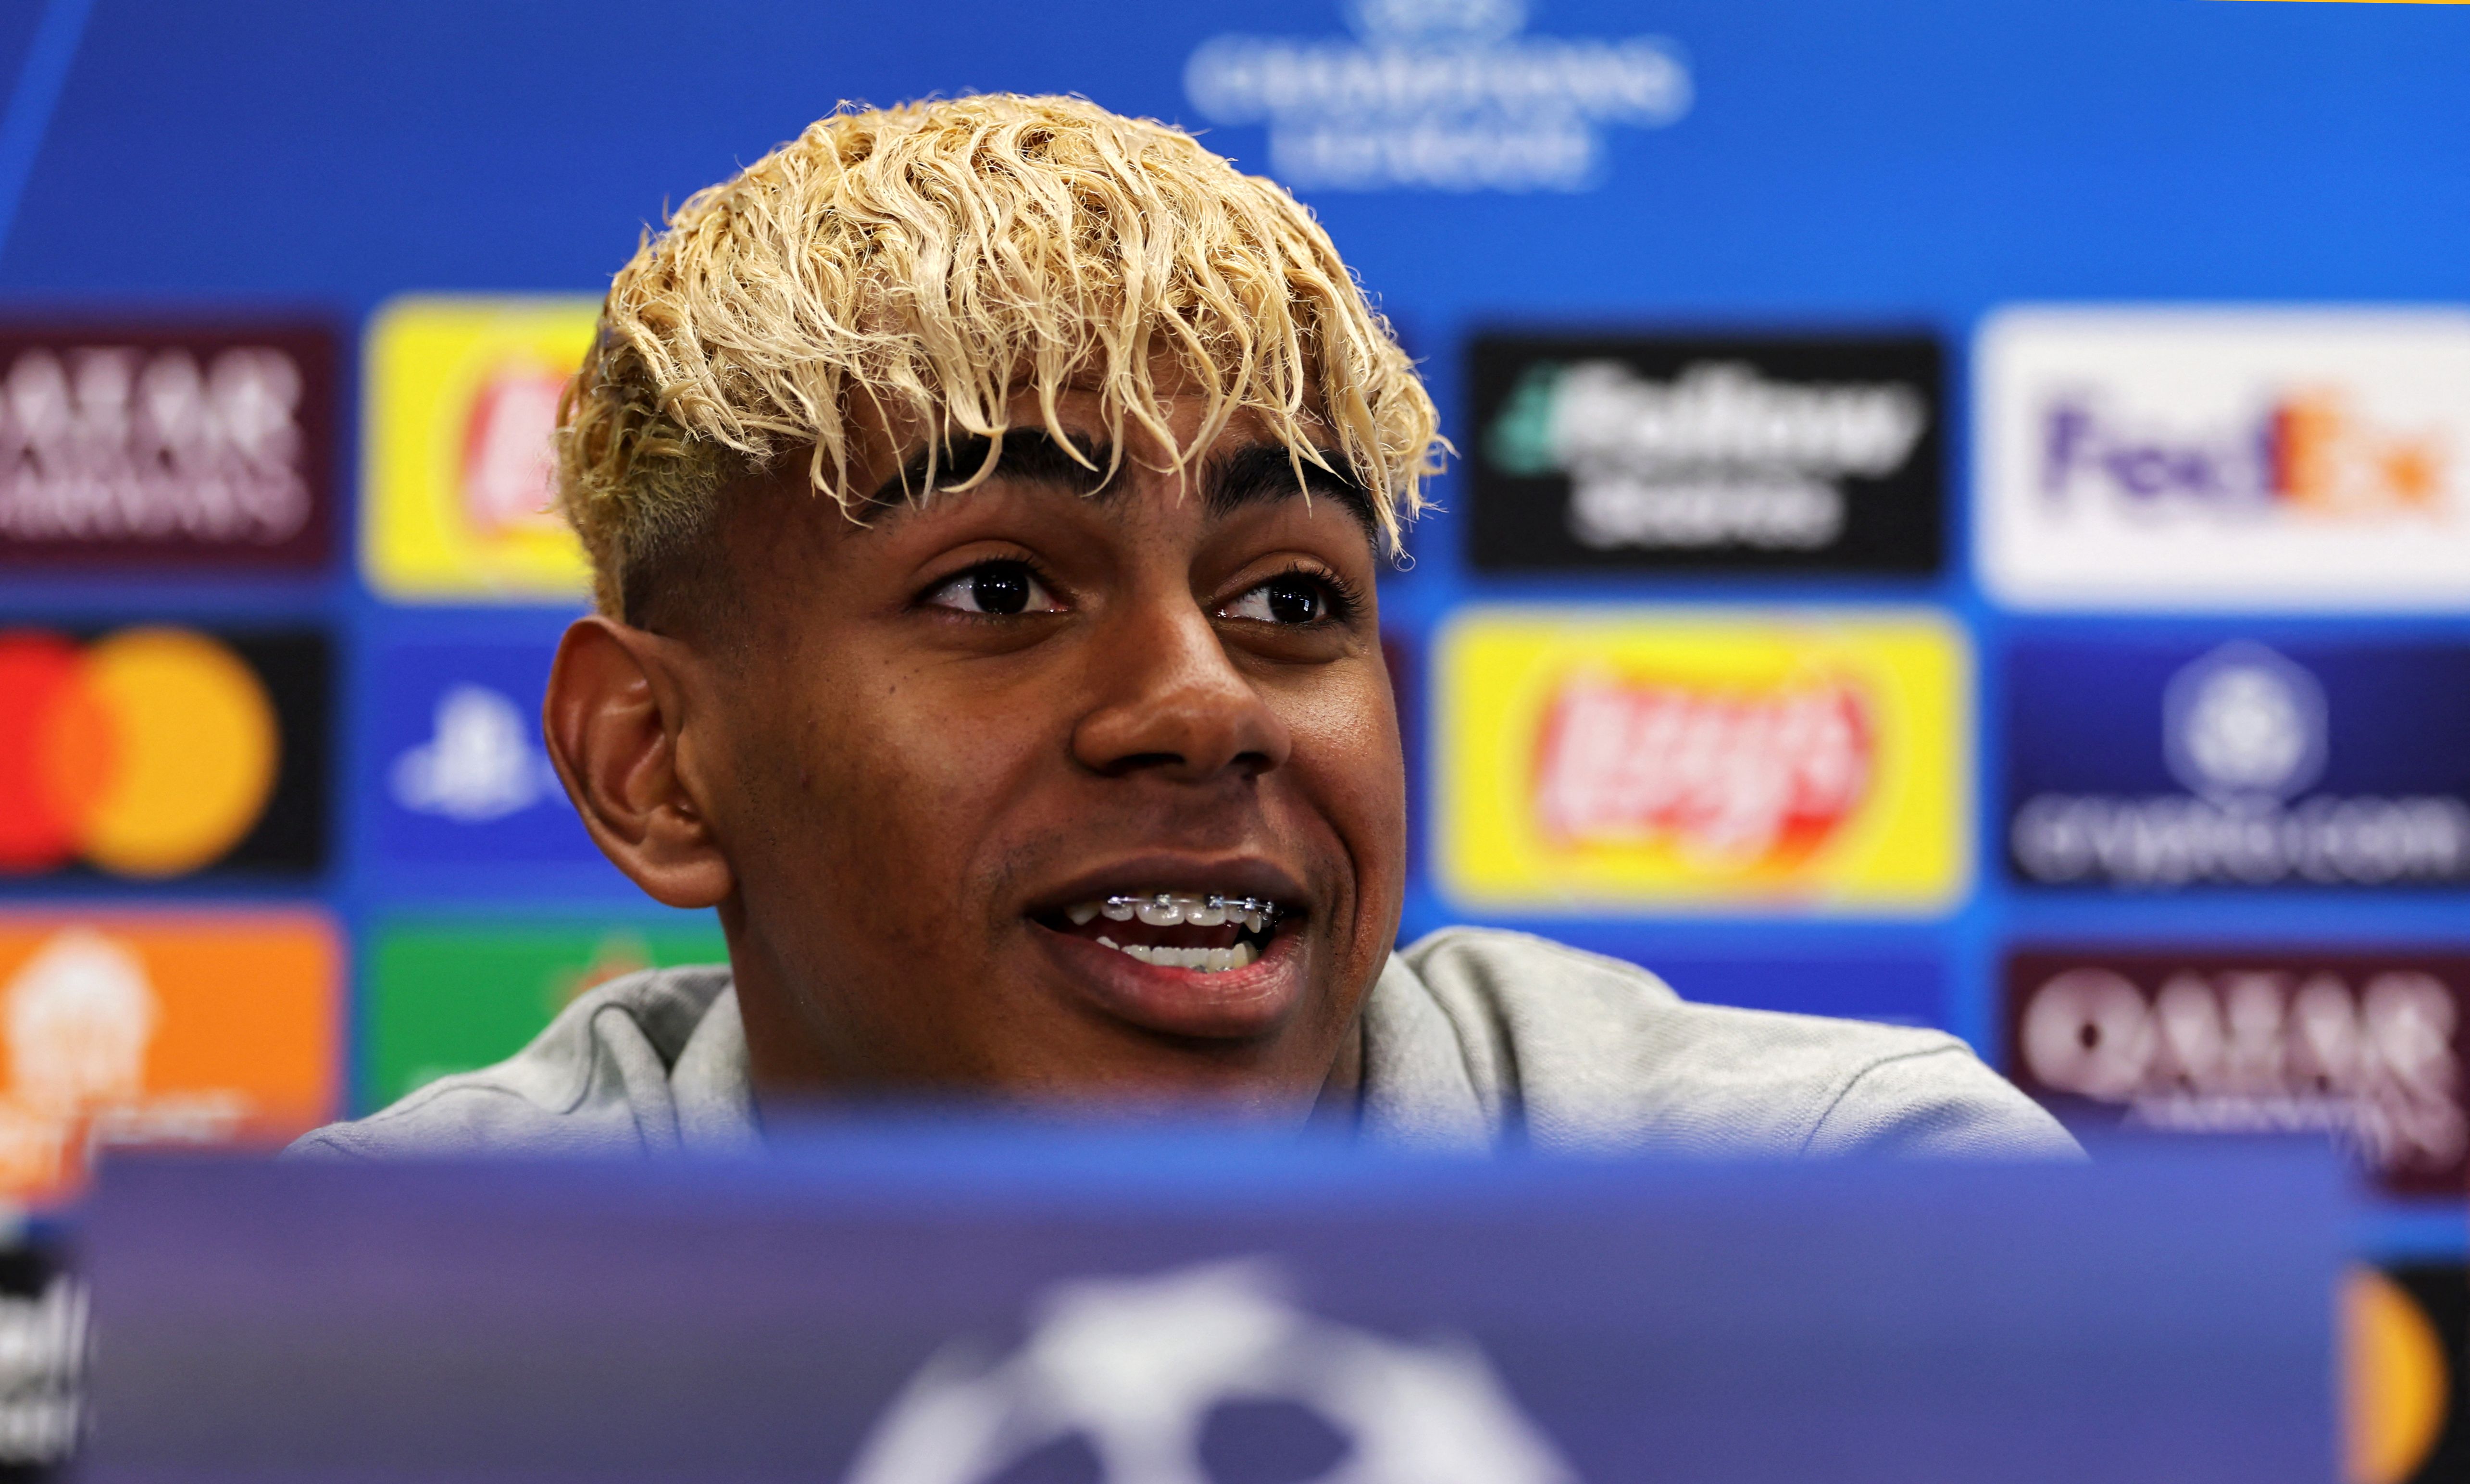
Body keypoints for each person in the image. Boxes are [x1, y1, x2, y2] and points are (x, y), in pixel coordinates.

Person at [292, 94, 2073, 1162]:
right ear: (655, 764)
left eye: (1291, 599)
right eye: (998, 589)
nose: (1200, 705)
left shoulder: (1856, 1224)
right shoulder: (364, 1349)